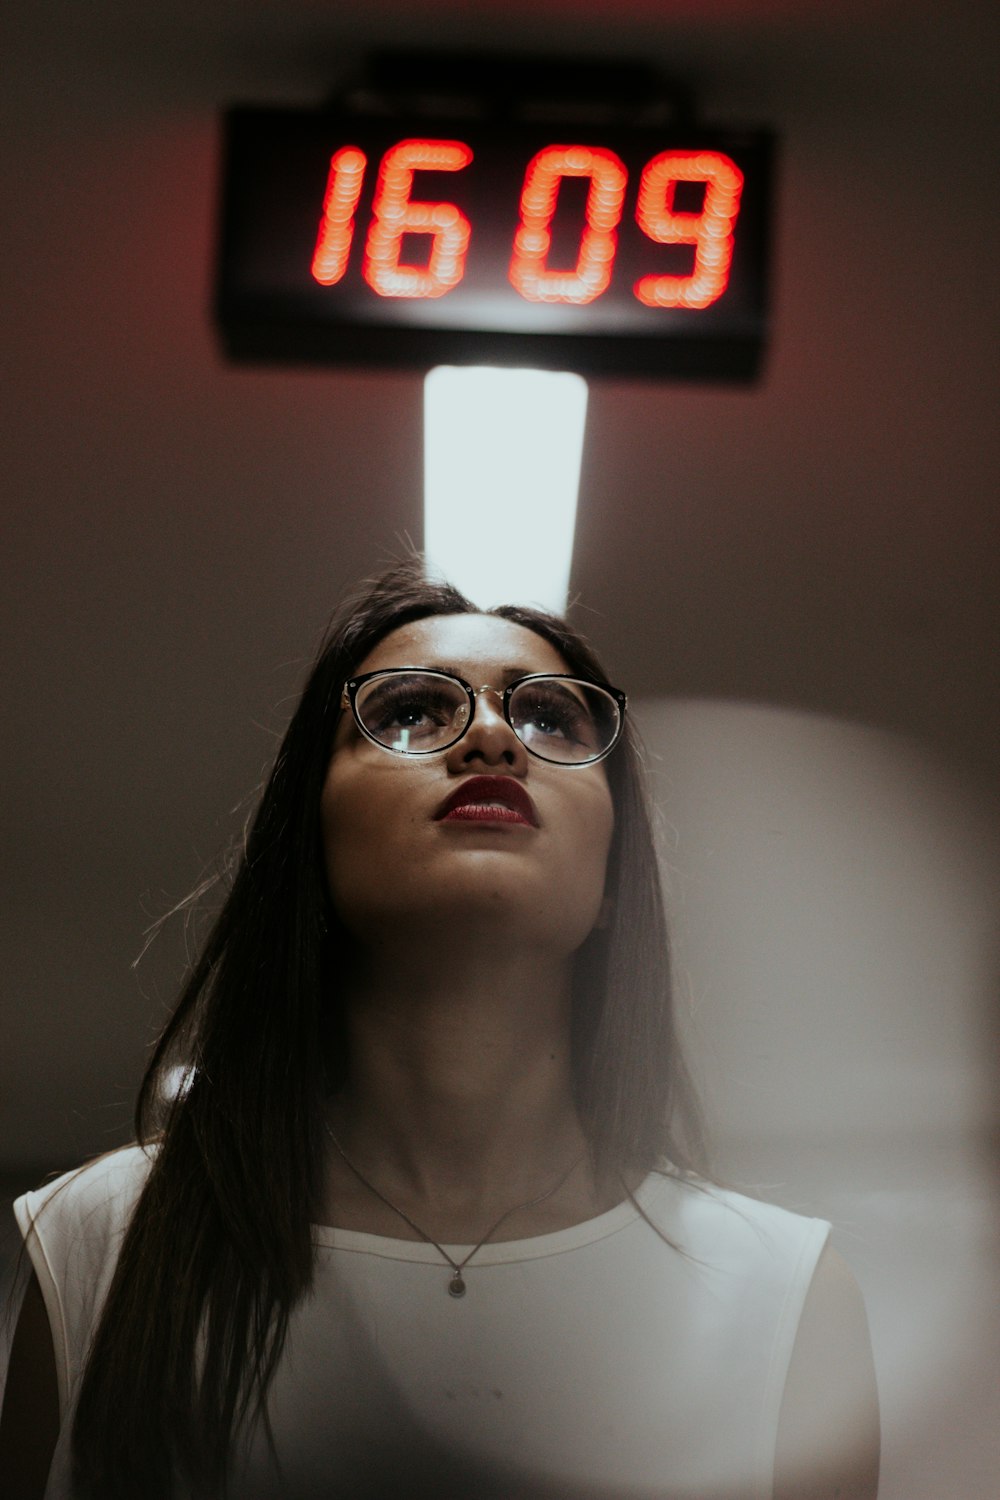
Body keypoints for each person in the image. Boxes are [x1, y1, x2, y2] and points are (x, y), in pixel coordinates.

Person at [1, 559, 880, 1500]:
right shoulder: (104, 1239)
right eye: (413, 709)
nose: (494, 739)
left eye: (551, 717)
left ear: (617, 876)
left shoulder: (783, 1297)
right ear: (311, 841)